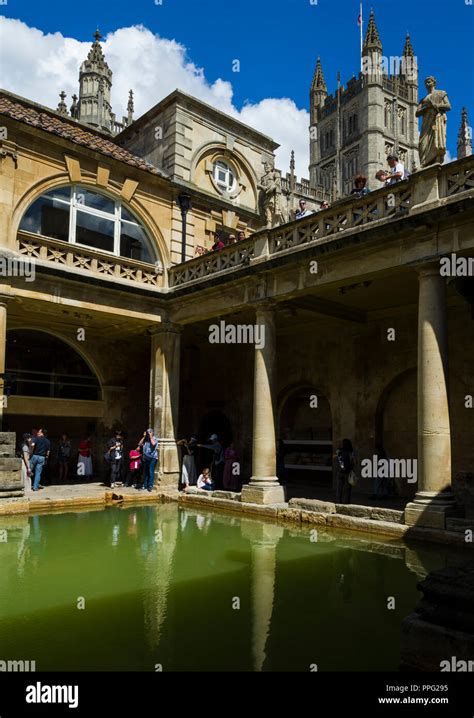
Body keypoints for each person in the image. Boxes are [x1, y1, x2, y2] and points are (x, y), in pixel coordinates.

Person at [335, 438, 356, 505]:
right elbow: (354, 461)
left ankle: (338, 501)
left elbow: (339, 460)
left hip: (340, 472)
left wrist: (342, 467)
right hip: (348, 472)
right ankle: (346, 502)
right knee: (347, 489)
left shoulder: (339, 451)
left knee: (339, 488)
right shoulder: (351, 452)